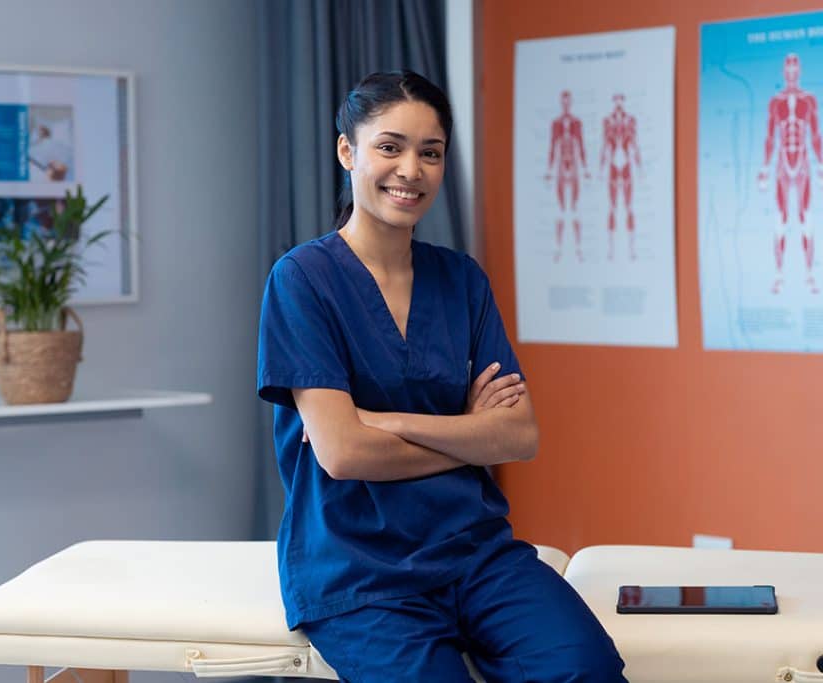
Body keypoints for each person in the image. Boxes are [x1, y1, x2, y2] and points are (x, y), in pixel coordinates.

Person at [257, 71, 626, 682]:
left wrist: (387, 421)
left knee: (584, 669)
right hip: (360, 571)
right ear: (348, 151)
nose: (411, 169)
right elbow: (343, 454)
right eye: (390, 147)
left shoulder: (462, 280)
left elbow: (518, 437)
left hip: (475, 553)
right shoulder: (302, 281)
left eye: (430, 153)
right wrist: (465, 432)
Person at [758, 53, 822, 294]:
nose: (792, 73)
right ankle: (779, 275)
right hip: (783, 165)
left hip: (803, 164)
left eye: (796, 68)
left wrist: (821, 166)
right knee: (780, 220)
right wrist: (764, 168)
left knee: (807, 219)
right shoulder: (775, 102)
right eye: (789, 68)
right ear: (784, 72)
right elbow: (769, 137)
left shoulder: (809, 100)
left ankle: (809, 275)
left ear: (800, 71)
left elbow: (815, 136)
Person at [545, 90, 589, 262]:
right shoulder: (556, 124)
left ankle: (578, 249)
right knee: (562, 211)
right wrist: (549, 170)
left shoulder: (577, 123)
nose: (566, 104)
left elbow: (581, 145)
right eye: (564, 101)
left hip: (574, 168)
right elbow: (553, 147)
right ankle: (558, 249)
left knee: (575, 210)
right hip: (561, 170)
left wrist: (585, 169)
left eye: (568, 101)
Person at [600, 93, 641, 261]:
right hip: (612, 166)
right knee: (612, 207)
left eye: (621, 100)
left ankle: (632, 250)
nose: (618, 103)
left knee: (629, 207)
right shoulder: (607, 121)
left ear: (624, 102)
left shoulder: (630, 120)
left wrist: (640, 166)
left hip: (626, 165)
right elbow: (605, 145)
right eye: (615, 100)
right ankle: (610, 250)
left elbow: (634, 144)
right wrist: (601, 167)